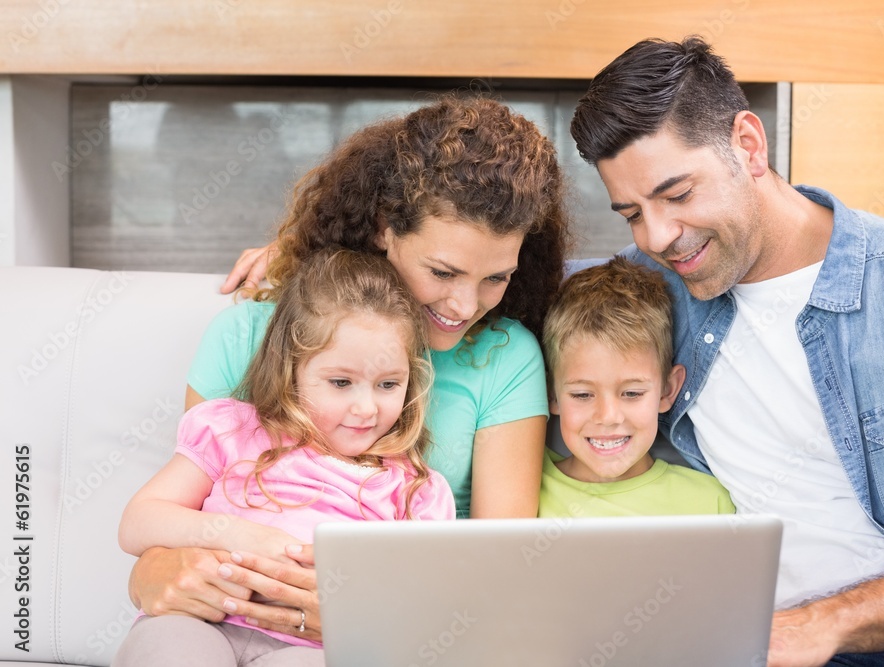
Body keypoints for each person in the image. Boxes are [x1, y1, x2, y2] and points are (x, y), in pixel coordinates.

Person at [569, 36, 884, 666]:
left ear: (748, 144)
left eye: (679, 195)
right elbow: (482, 275)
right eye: (632, 212)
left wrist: (819, 626)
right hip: (748, 642)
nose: (658, 236)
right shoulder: (641, 290)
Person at [127, 96, 569, 640]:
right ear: (384, 227)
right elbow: (178, 519)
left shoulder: (508, 357)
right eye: (443, 271)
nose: (463, 305)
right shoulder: (249, 333)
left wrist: (370, 613)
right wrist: (150, 575)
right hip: (225, 616)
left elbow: (498, 569)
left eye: (495, 278)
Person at [113, 249, 455, 666]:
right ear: (291, 368)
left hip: (312, 649)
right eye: (341, 382)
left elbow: (425, 604)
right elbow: (138, 522)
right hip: (203, 620)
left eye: (387, 384)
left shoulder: (414, 489)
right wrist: (239, 535)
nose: (366, 408)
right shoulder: (234, 431)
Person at [538, 256, 734, 518]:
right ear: (551, 393)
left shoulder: (710, 502)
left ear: (667, 390)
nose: (608, 417)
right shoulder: (522, 489)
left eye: (631, 393)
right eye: (582, 394)